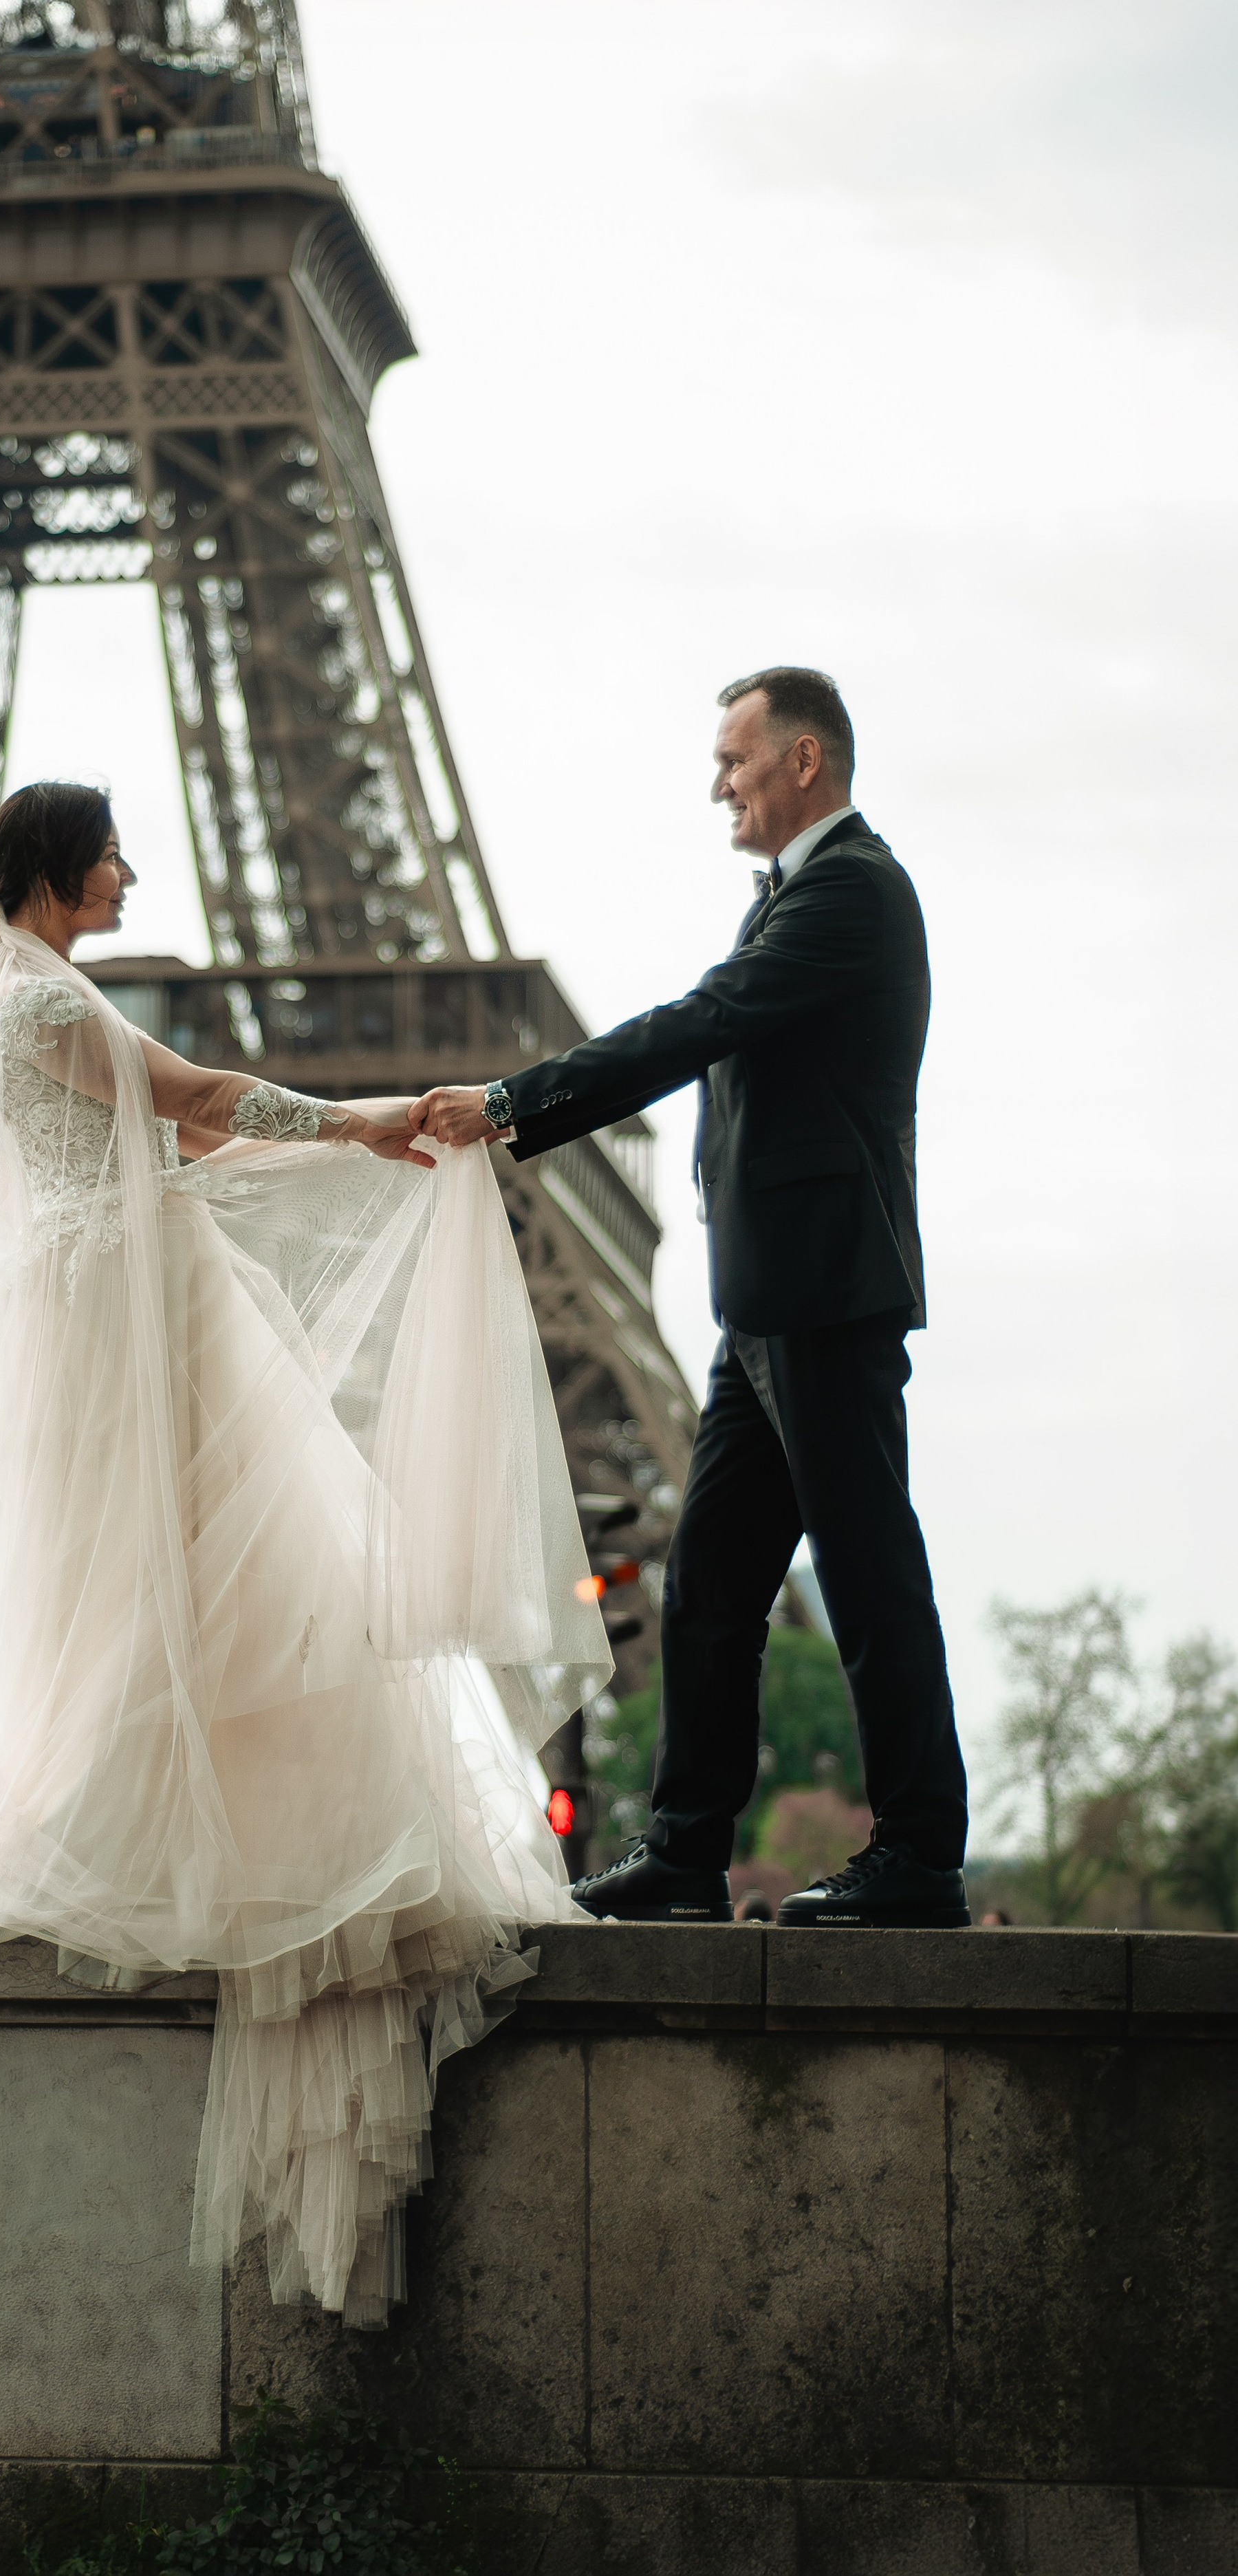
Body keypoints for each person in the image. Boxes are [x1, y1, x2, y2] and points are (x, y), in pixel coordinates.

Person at [0, 782, 606, 2326]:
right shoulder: (36, 997)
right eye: (107, 852)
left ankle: (158, 1808)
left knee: (177, 1584)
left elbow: (162, 1139)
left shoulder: (18, 989)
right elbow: (199, 1102)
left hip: (101, 1312)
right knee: (228, 1578)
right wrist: (363, 1125)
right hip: (127, 1326)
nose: (126, 871)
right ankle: (199, 1830)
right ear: (49, 861)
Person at [410, 669, 970, 1932]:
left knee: (869, 1570)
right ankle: (682, 1852)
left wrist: (512, 1102)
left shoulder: (852, 893)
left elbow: (703, 1024)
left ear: (806, 762)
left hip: (825, 1293)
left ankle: (920, 1855)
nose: (719, 780)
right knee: (710, 1584)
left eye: (736, 757)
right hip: (765, 1303)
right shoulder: (795, 896)